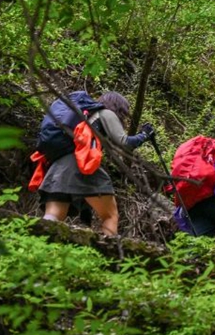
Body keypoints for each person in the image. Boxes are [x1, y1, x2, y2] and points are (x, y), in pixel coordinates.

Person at [37, 90, 154, 236]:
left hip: (57, 167)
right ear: (119, 107)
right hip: (81, 165)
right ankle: (108, 255)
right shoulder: (105, 113)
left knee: (53, 217)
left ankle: (39, 250)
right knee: (110, 215)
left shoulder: (86, 115)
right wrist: (144, 135)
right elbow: (124, 143)